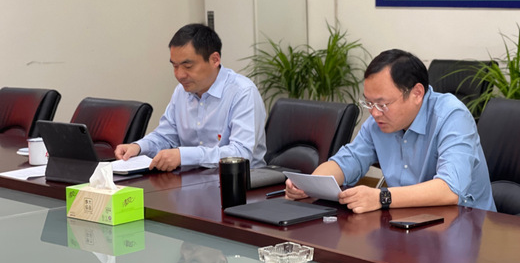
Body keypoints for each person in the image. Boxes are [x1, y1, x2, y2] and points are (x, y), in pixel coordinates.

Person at [285, 49, 495, 213]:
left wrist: (381, 197)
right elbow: (347, 160)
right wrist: (310, 186)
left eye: (382, 104)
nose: (374, 113)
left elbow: (450, 190)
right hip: (407, 222)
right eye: (369, 103)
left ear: (417, 93)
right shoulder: (379, 121)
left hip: (465, 226)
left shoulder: (452, 116)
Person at [115, 23, 267, 171]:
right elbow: (166, 136)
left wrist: (184, 156)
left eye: (188, 66)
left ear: (215, 60)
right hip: (192, 179)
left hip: (241, 181)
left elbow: (241, 153)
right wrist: (138, 147)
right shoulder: (181, 91)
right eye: (175, 66)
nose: (180, 75)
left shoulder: (242, 92)